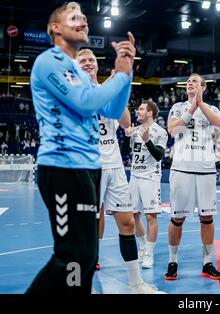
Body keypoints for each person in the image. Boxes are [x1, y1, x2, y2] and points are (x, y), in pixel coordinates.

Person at [27, 2, 135, 294]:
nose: (83, 20)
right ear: (56, 28)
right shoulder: (49, 62)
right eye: (74, 17)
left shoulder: (77, 73)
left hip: (89, 169)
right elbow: (85, 103)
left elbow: (113, 110)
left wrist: (127, 72)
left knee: (87, 255)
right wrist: (121, 77)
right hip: (62, 167)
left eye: (84, 17)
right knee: (72, 254)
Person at [76, 49, 162, 294]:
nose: (87, 63)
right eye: (82, 60)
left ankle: (136, 284)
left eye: (91, 60)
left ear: (96, 65)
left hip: (114, 166)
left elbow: (125, 123)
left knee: (126, 223)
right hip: (89, 168)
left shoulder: (107, 92)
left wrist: (119, 89)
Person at [166, 73, 220, 280]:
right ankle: (172, 260)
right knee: (177, 217)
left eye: (195, 81)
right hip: (182, 168)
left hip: (206, 169)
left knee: (207, 217)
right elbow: (173, 131)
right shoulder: (177, 107)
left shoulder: (213, 108)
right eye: (188, 81)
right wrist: (192, 107)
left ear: (203, 87)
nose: (190, 83)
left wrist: (201, 104)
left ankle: (207, 262)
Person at [121, 100, 168, 270]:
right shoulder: (133, 131)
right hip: (134, 176)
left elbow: (158, 156)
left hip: (150, 177)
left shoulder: (160, 132)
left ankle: (149, 253)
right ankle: (142, 247)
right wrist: (127, 138)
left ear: (150, 113)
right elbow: (124, 153)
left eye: (141, 109)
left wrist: (148, 140)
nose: (137, 112)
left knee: (151, 217)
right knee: (133, 216)